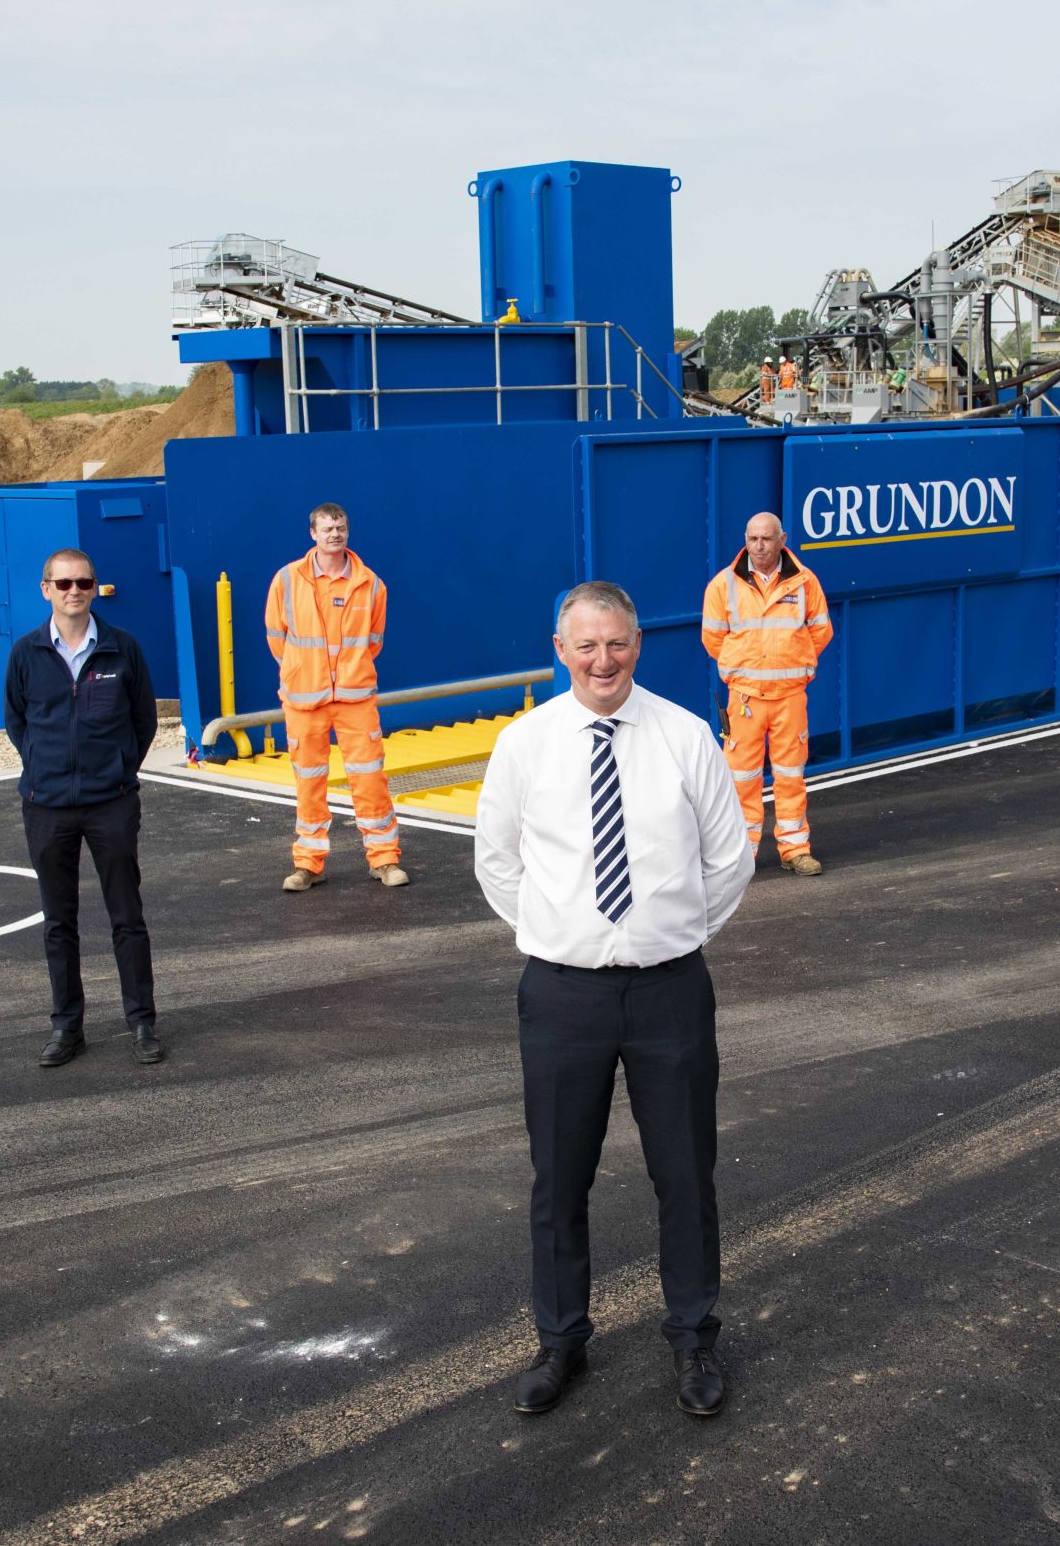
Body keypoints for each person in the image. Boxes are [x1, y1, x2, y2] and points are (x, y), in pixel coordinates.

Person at [474, 581, 756, 1420]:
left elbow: (729, 856)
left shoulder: (684, 736)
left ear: (640, 643)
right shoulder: (524, 744)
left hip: (671, 990)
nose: (604, 661)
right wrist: (566, 934)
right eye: (586, 645)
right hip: (562, 998)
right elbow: (497, 861)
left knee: (685, 1176)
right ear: (560, 648)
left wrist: (663, 933)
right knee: (558, 1180)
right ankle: (560, 1341)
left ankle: (695, 1340)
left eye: (618, 644)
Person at [3, 546, 162, 1068]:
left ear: (95, 588)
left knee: (127, 917)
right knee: (58, 922)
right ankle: (67, 1027)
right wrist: (45, 770)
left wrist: (117, 769)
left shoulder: (123, 649)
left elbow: (143, 722)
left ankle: (141, 1022)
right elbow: (17, 723)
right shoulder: (26, 653)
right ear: (45, 589)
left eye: (84, 583)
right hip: (47, 807)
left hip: (110, 804)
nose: (75, 592)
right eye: (64, 583)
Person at [265, 503, 407, 891]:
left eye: (340, 528)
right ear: (313, 533)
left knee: (370, 779)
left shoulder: (371, 584)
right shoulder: (287, 580)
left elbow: (373, 641)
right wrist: (301, 672)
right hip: (304, 698)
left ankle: (384, 860)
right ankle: (308, 865)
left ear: (348, 531)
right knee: (309, 781)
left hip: (354, 697)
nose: (334, 534)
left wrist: (342, 675)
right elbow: (277, 638)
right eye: (327, 529)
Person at [701, 511, 834, 874]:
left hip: (790, 697)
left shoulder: (805, 583)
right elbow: (713, 640)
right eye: (752, 538)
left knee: (791, 775)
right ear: (745, 540)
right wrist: (745, 667)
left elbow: (821, 631)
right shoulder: (723, 585)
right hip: (745, 698)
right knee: (741, 778)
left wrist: (793, 661)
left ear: (782, 540)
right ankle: (742, 855)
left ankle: (795, 850)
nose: (758, 546)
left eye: (766, 539)